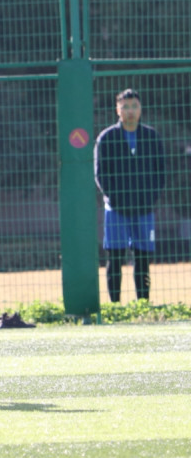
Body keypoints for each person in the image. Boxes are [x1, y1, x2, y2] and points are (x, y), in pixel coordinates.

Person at [94, 89, 165, 303]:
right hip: (116, 209)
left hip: (144, 209)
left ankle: (142, 305)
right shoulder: (107, 138)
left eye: (134, 106)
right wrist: (115, 198)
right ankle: (115, 306)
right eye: (125, 107)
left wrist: (150, 198)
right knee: (115, 257)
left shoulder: (152, 137)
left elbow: (160, 172)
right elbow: (100, 173)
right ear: (118, 110)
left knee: (142, 258)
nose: (130, 111)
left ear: (140, 109)